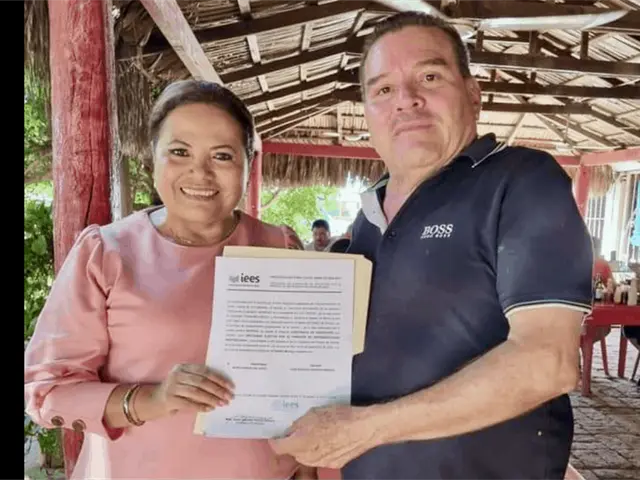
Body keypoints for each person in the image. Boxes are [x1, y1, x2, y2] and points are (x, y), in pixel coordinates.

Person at [269, 12, 592, 480]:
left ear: (473, 94)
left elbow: (548, 361)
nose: (406, 99)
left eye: (430, 77)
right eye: (383, 89)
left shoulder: (521, 181)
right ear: (368, 113)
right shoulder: (368, 217)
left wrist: (365, 429)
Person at [23, 80, 331, 480]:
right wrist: (153, 400)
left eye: (222, 155)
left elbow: (306, 376)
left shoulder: (279, 246)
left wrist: (307, 466)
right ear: (153, 159)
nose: (200, 172)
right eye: (180, 152)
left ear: (247, 163)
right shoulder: (106, 253)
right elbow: (49, 390)